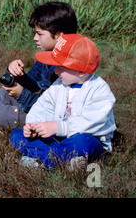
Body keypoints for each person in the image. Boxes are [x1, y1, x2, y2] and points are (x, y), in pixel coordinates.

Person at [0, 1, 78, 142]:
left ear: (59, 36)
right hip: (40, 108)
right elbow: (33, 83)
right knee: (2, 93)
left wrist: (21, 94)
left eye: (39, 34)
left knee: (1, 112)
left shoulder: (69, 70)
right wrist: (17, 74)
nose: (35, 38)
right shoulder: (46, 56)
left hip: (51, 121)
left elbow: (54, 111)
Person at [9, 34, 117, 169]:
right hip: (58, 138)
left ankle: (44, 161)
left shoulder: (99, 90)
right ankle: (66, 160)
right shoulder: (58, 85)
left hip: (87, 139)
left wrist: (58, 127)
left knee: (84, 142)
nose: (56, 70)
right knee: (15, 136)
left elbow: (92, 121)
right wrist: (34, 126)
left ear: (81, 71)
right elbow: (43, 107)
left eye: (61, 66)